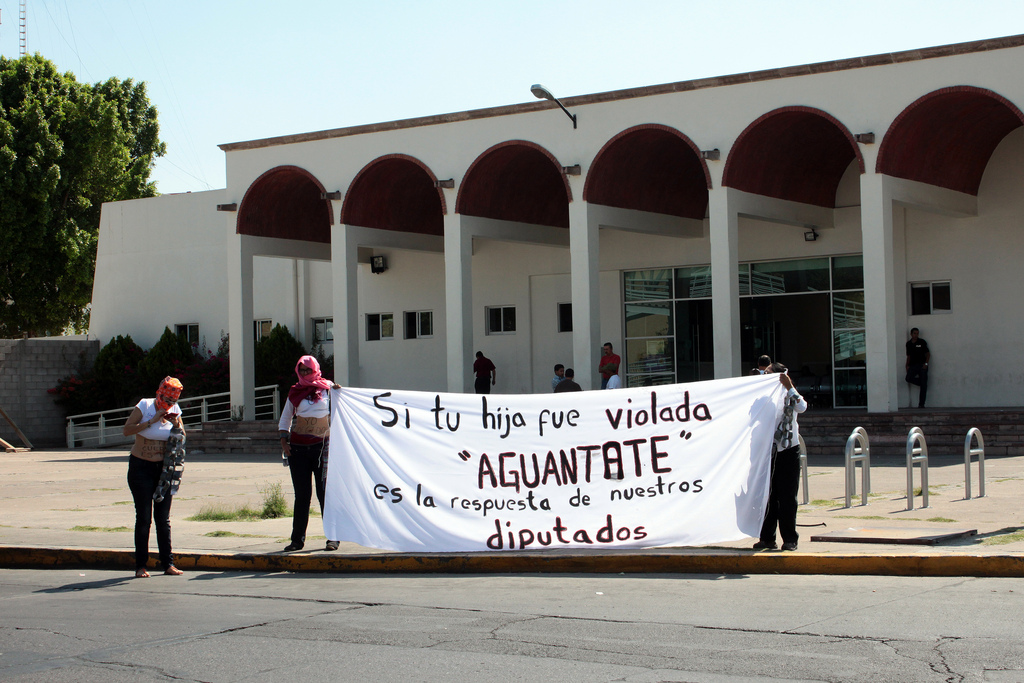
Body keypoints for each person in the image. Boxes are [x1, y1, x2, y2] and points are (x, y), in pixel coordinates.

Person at [122, 376, 186, 578]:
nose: (167, 404)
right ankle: (141, 565)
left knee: (163, 519)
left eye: (171, 401)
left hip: (164, 469)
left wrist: (176, 424)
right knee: (143, 518)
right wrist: (152, 420)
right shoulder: (145, 405)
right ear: (159, 393)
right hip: (141, 467)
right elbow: (126, 430)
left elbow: (183, 437)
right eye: (165, 399)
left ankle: (168, 563)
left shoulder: (175, 410)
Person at [279, 356, 341, 552]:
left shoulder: (328, 389)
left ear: (315, 369)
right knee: (302, 496)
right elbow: (285, 418)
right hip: (298, 448)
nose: (305, 373)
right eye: (302, 370)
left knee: (325, 494)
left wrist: (342, 393)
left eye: (308, 369)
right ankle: (297, 540)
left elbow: (342, 409)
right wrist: (284, 441)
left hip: (322, 448)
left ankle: (333, 538)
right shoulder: (295, 391)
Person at [754, 363, 808, 552]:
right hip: (768, 451)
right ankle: (767, 537)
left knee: (787, 497)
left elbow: (802, 407)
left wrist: (789, 385)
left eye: (769, 373)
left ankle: (790, 539)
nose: (765, 375)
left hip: (788, 449)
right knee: (768, 495)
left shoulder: (788, 394)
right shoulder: (763, 397)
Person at [905, 328, 930, 408]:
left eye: (917, 333)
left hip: (922, 365)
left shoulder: (921, 342)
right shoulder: (908, 344)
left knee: (923, 387)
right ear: (911, 334)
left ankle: (921, 404)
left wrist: (926, 363)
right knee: (908, 378)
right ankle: (922, 383)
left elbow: (928, 353)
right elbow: (908, 355)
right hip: (913, 365)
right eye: (914, 333)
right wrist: (907, 365)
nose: (916, 335)